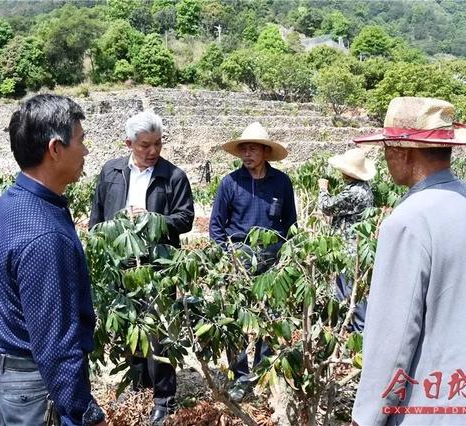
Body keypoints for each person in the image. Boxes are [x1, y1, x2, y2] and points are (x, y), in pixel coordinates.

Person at [351, 97, 466, 425]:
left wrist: (365, 417)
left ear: (402, 152)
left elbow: (392, 342)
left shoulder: (409, 220)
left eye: (387, 150)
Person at [0, 94, 107, 426]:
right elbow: (56, 344)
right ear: (55, 149)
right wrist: (84, 412)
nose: (86, 150)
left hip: (15, 380)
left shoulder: (14, 200)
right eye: (80, 140)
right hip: (38, 389)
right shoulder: (44, 234)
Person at [89, 110, 194, 425]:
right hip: (119, 266)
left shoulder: (172, 176)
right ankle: (139, 386)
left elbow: (185, 218)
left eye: (158, 144)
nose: (153, 151)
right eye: (145, 145)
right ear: (129, 143)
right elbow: (97, 217)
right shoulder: (111, 172)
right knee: (128, 327)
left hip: (157, 268)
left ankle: (165, 399)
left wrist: (151, 218)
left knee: (159, 332)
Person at [209, 121, 297, 402]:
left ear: (265, 152)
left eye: (252, 149)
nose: (247, 154)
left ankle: (263, 370)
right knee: (236, 319)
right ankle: (239, 376)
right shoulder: (230, 183)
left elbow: (290, 222)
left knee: (268, 316)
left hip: (272, 258)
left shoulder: (281, 182)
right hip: (240, 256)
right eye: (243, 149)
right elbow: (216, 226)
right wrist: (229, 255)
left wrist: (283, 253)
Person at [317, 148, 375, 332]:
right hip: (353, 248)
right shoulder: (362, 189)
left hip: (349, 249)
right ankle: (346, 329)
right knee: (345, 291)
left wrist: (323, 190)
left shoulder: (355, 192)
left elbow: (327, 207)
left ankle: (360, 330)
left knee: (350, 292)